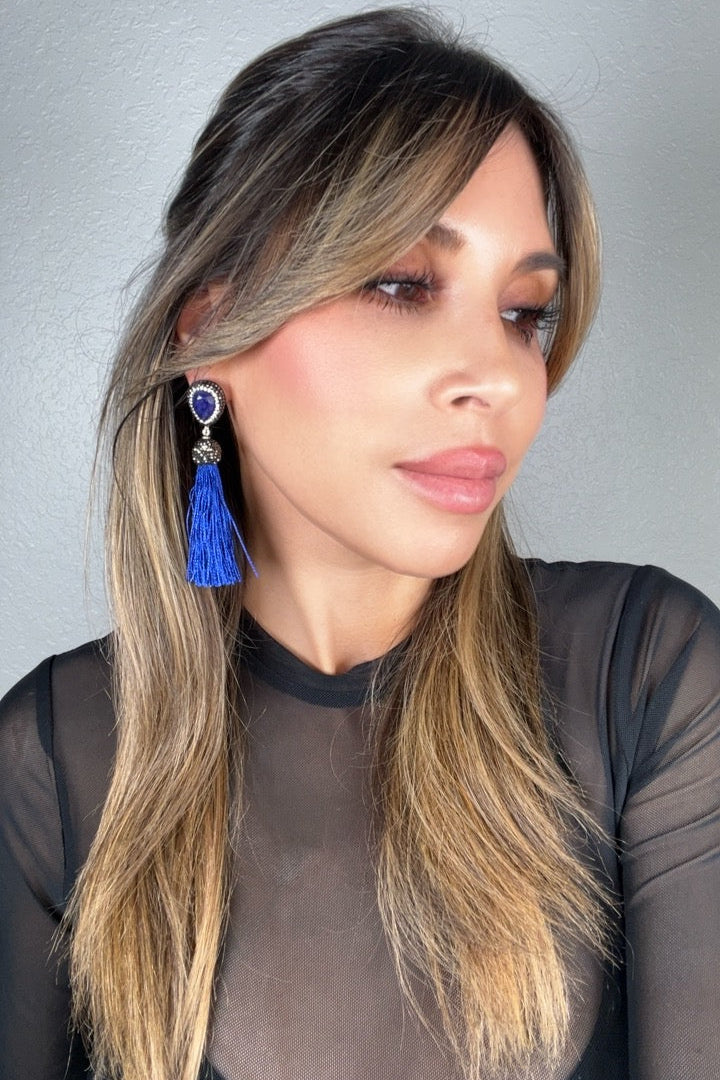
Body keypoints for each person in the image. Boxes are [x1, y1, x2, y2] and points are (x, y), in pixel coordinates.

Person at [1, 8, 719, 1080]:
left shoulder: (643, 676)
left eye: (525, 312)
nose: (499, 377)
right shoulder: (54, 763)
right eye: (401, 284)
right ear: (208, 333)